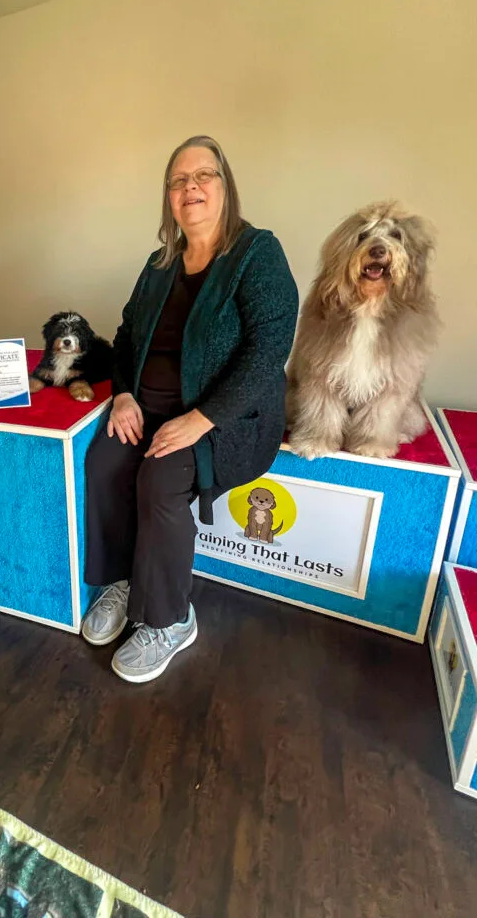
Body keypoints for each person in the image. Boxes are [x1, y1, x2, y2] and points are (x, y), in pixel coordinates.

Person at [82, 135, 299, 683]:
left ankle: (170, 619)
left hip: (225, 420)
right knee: (104, 462)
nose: (191, 187)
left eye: (204, 176)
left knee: (160, 477)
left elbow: (269, 347)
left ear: (226, 187)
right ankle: (125, 579)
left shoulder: (256, 252)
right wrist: (124, 392)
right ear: (169, 198)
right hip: (147, 406)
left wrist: (201, 418)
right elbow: (129, 334)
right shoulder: (159, 264)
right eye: (179, 181)